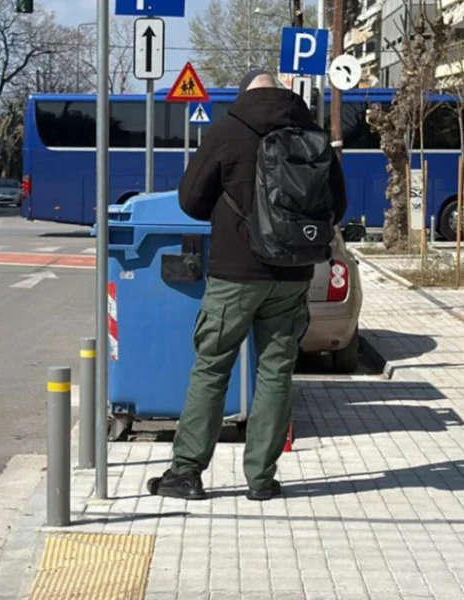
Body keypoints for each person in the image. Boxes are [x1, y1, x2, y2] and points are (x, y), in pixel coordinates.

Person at [146, 70, 347, 501]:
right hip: (293, 276)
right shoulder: (313, 134)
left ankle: (186, 473)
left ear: (244, 94)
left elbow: (190, 200)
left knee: (212, 368)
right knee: (276, 373)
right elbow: (339, 206)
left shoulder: (228, 131)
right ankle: (261, 480)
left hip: (234, 275)